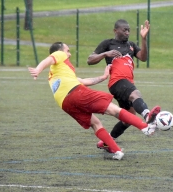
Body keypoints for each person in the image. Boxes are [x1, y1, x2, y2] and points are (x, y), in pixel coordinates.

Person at [28, 42, 157, 160]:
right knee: (114, 110)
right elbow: (49, 59)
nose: (69, 53)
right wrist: (38, 69)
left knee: (95, 123)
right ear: (60, 50)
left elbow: (84, 81)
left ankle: (117, 151)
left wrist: (103, 77)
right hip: (75, 93)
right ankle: (145, 127)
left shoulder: (58, 72)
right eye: (67, 50)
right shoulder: (59, 55)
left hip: (65, 103)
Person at [87, 19, 160, 151]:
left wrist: (143, 39)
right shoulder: (108, 43)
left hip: (127, 83)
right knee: (136, 94)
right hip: (117, 81)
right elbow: (90, 59)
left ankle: (107, 141)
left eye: (129, 30)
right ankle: (147, 115)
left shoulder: (131, 45)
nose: (127, 32)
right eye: (124, 30)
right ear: (116, 30)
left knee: (128, 118)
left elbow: (143, 58)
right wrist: (105, 54)